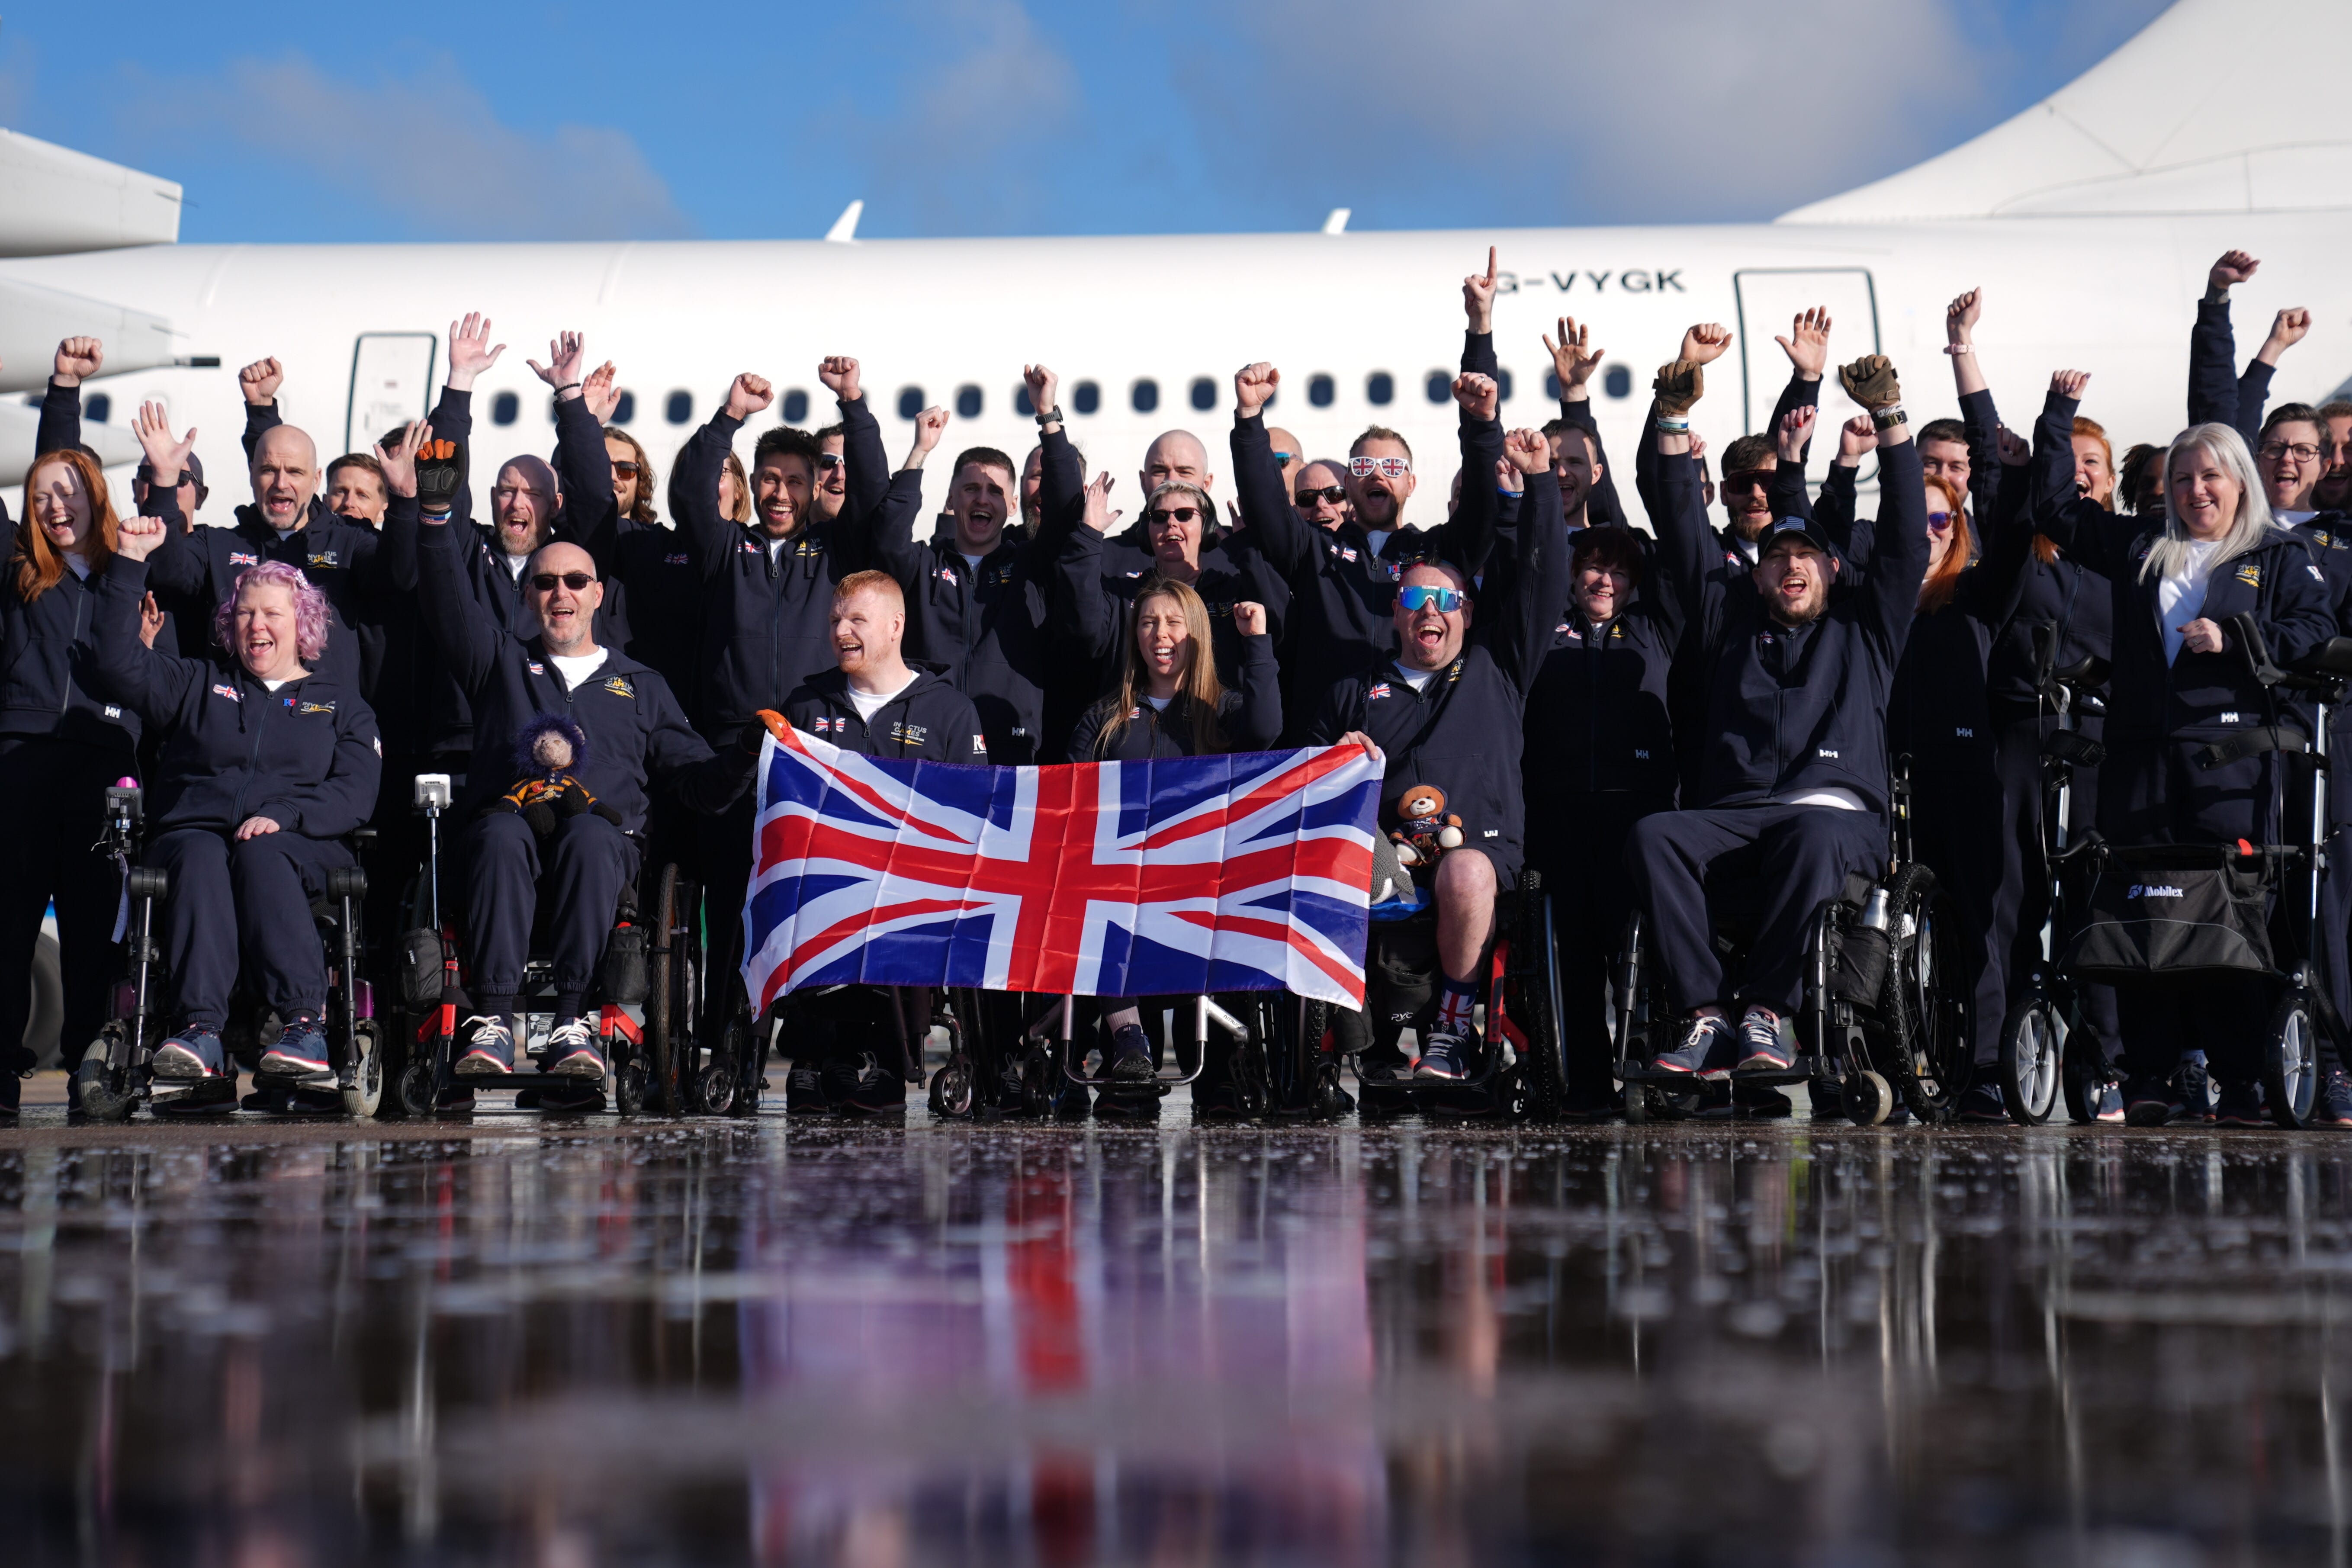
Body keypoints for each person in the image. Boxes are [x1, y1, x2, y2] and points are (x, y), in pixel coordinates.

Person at [413, 427, 762, 1086]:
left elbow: (698, 784)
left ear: (599, 594)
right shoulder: (501, 665)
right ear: (528, 596)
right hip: (506, 851)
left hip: (601, 860)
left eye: (576, 580)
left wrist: (745, 751)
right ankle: (491, 1018)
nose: (561, 593)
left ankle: (574, 1019)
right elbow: (445, 598)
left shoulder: (641, 684)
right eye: (545, 583)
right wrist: (436, 514)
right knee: (497, 831)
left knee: (593, 838)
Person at [2032, 378, 2336, 1125]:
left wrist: (2237, 638)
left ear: (2239, 482)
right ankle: (2150, 1076)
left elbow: (2312, 628)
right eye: (2181, 478)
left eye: (2211, 476)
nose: (2196, 490)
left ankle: (2239, 1080)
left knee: (2227, 921)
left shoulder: (2279, 553)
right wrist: (2056, 417)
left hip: (2230, 762)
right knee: (2146, 914)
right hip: (2141, 760)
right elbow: (2055, 512)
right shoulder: (2143, 546)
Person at [1627, 353, 1928, 1084]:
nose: (1791, 565)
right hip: (1738, 813)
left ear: (1832, 568)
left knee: (1811, 827)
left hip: (1835, 817)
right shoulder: (1730, 622)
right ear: (1756, 573)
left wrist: (1891, 419)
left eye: (1807, 555)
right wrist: (1670, 413)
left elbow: (1906, 535)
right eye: (1777, 555)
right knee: (1656, 832)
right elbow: (1679, 524)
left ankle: (1770, 1008)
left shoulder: (1867, 627)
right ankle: (1708, 1013)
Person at [92, 405, 387, 1081]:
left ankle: (305, 1027)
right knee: (196, 854)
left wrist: (287, 817)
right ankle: (199, 1032)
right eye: (246, 612)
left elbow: (354, 791)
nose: (258, 625)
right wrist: (128, 564)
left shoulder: (340, 704)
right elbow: (118, 666)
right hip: (197, 830)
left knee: (261, 855)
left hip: (297, 842)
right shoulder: (200, 682)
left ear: (303, 623)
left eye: (273, 615)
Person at [1304, 421, 1567, 1091]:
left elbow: (1543, 576)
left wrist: (1538, 484)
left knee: (1467, 873)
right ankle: (1363, 1042)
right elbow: (1299, 779)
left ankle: (1451, 1027)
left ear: (1468, 614)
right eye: (1418, 599)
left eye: (1447, 600)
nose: (1433, 611)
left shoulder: (1498, 667)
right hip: (1380, 863)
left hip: (1474, 857)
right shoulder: (1355, 687)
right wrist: (1333, 759)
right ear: (1396, 611)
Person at [1941, 288, 2126, 1120]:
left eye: (2095, 466)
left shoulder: (2133, 561)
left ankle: (2107, 1062)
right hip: (2021, 735)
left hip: (2102, 740)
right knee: (2006, 901)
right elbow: (1994, 463)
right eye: (2069, 465)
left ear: (2113, 484)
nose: (2080, 475)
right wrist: (1964, 354)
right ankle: (1988, 1061)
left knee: (2099, 901)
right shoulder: (2022, 560)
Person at [668, 358, 888, 1043]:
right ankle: (725, 1032)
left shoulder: (833, 550)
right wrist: (728, 417)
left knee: (812, 898)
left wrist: (853, 405)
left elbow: (875, 494)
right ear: (752, 483)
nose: (782, 492)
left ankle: (816, 1033)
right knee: (732, 900)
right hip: (734, 752)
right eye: (770, 479)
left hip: (811, 750)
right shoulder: (723, 551)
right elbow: (688, 495)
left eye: (796, 480)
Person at [777, 569, 991, 1115]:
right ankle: (820, 1054)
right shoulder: (806, 706)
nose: (841, 631)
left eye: (856, 620)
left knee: (904, 897)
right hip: (826, 880)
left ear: (895, 626)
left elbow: (973, 818)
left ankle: (884, 1058)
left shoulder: (950, 711)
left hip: (914, 883)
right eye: (835, 620)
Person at [1066, 580, 1279, 1118]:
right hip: (1122, 883)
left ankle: (1221, 1064)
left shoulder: (1224, 710)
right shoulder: (1105, 719)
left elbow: (1267, 730)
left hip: (1203, 882)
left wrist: (1257, 643)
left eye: (1173, 623)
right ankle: (1129, 1042)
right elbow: (1069, 803)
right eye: (1148, 623)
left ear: (1197, 633)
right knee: (1097, 890)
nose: (1160, 635)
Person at [0, 404, 144, 1117]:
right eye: (39, 499)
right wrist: (61, 390)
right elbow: (48, 468)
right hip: (23, 759)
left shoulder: (132, 573)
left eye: (68, 492)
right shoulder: (23, 569)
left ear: (96, 493)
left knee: (94, 929)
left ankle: (94, 1068)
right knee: (9, 922)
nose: (55, 507)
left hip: (102, 764)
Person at [1518, 522, 1680, 1116]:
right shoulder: (1545, 633)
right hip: (1559, 812)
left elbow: (1675, 550)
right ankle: (1586, 1083)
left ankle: (1651, 1070)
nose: (1603, 580)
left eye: (1617, 570)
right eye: (1592, 566)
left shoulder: (1657, 628)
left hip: (1637, 814)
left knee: (1640, 950)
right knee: (1575, 955)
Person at [846, 367, 1070, 765]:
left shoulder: (1030, 568)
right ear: (952, 499)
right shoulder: (922, 564)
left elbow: (1067, 513)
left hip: (1010, 749)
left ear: (1013, 506)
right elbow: (886, 539)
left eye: (995, 492)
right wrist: (920, 453)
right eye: (971, 489)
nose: (982, 499)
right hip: (927, 749)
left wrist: (1048, 416)